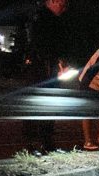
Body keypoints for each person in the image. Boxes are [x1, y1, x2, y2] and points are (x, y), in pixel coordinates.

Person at [21, 0, 73, 155]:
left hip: (50, 68)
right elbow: (36, 44)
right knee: (35, 104)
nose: (64, 8)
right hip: (38, 68)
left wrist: (61, 63)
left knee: (51, 104)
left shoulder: (54, 20)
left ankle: (47, 143)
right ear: (52, 1)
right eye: (62, 4)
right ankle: (31, 145)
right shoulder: (38, 17)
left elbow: (58, 45)